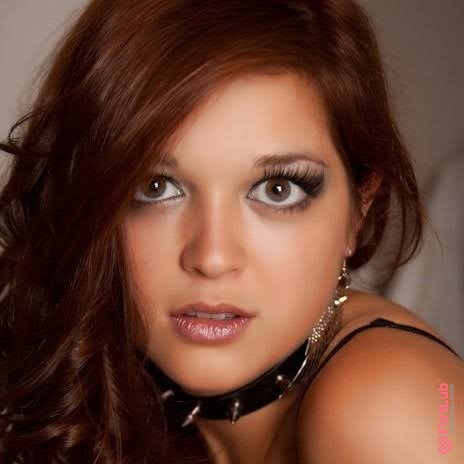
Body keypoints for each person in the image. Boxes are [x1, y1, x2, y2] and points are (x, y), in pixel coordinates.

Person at [0, 0, 463, 462]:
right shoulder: (107, 380)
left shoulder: (391, 408)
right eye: (155, 187)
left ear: (359, 208)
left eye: (277, 190)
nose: (212, 257)